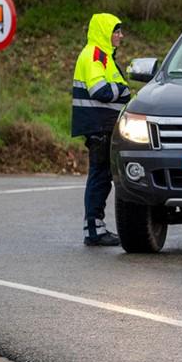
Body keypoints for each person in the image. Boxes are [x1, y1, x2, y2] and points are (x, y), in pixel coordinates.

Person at [71, 13, 131, 246]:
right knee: (100, 176)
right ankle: (94, 230)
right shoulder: (96, 55)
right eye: (117, 31)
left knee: (102, 175)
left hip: (101, 125)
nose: (120, 35)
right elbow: (100, 91)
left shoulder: (103, 55)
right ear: (106, 33)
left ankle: (94, 228)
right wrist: (123, 90)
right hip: (99, 125)